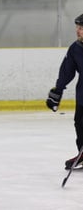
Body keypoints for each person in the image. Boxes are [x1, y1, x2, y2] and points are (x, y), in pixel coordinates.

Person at [47, 14, 83, 170]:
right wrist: (58, 90)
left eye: (81, 28)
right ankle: (82, 154)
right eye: (77, 28)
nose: (78, 31)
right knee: (80, 124)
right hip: (82, 96)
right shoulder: (75, 48)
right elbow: (67, 72)